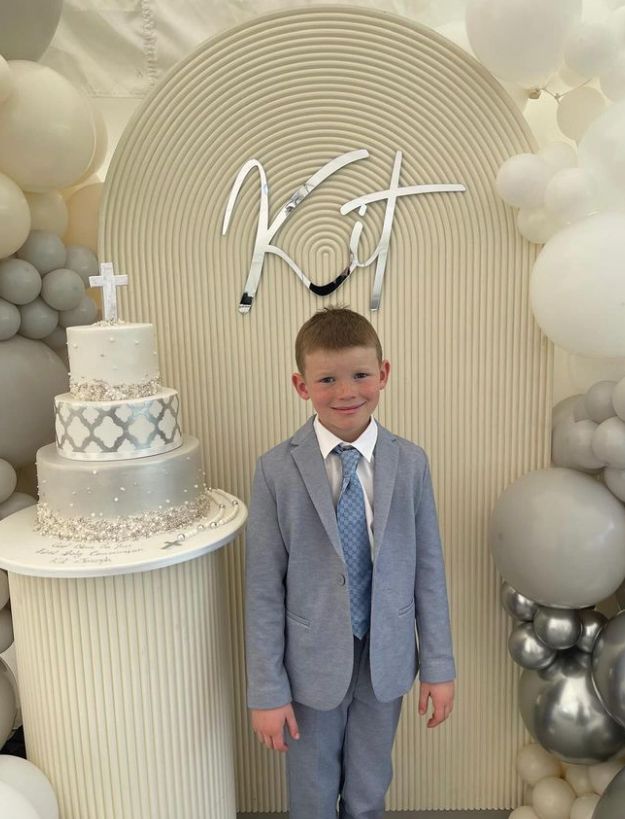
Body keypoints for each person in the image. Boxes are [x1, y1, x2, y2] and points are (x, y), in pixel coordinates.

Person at [245, 306, 455, 819]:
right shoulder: (276, 470)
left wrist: (439, 666)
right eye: (327, 379)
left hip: (386, 659)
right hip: (310, 668)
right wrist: (267, 691)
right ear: (301, 385)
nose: (346, 392)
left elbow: (428, 570)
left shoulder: (410, 463)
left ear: (383, 374)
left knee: (369, 785)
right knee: (312, 792)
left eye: (361, 375)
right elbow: (263, 589)